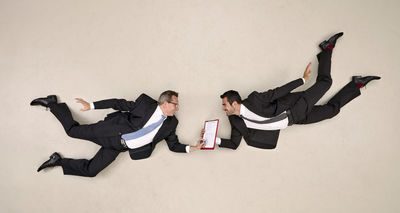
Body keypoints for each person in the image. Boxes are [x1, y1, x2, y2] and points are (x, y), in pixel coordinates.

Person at [216, 32, 381, 150]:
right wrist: (213, 140)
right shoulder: (235, 121)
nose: (223, 109)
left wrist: (301, 80)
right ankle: (356, 84)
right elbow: (233, 144)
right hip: (295, 120)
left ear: (234, 102)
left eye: (225, 105)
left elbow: (277, 92)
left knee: (326, 82)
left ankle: (327, 49)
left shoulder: (254, 99)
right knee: (331, 111)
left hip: (295, 106)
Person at [30, 91, 204, 177]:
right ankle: (53, 104)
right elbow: (118, 103)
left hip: (118, 147)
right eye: (175, 104)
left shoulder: (172, 123)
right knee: (72, 131)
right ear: (165, 103)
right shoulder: (145, 104)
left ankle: (58, 161)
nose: (177, 107)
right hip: (111, 131)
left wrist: (193, 148)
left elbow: (173, 145)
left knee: (92, 171)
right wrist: (91, 105)